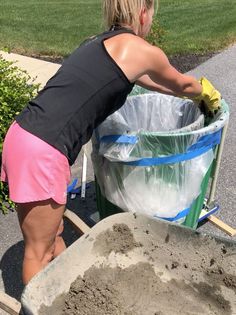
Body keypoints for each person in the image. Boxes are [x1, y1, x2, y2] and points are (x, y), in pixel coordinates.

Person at [0, 0, 221, 285]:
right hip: (43, 150)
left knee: (51, 237)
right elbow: (182, 84)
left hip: (24, 135)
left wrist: (184, 94)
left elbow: (150, 82)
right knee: (38, 253)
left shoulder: (97, 43)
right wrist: (205, 93)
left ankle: (67, 291)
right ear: (144, 13)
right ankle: (39, 304)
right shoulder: (141, 50)